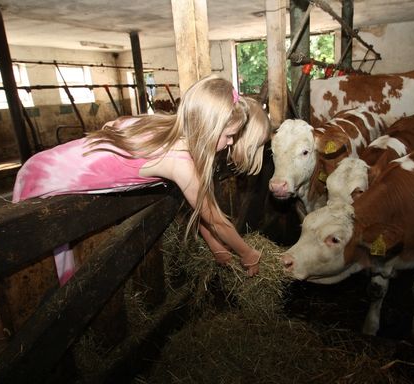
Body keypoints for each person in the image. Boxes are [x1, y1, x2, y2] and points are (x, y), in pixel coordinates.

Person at [13, 74, 271, 282]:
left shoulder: (165, 126)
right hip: (44, 182)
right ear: (208, 129)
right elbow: (214, 217)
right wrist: (249, 254)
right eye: (228, 136)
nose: (229, 144)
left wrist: (216, 247)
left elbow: (119, 124)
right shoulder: (178, 162)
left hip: (43, 166)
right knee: (41, 277)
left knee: (55, 267)